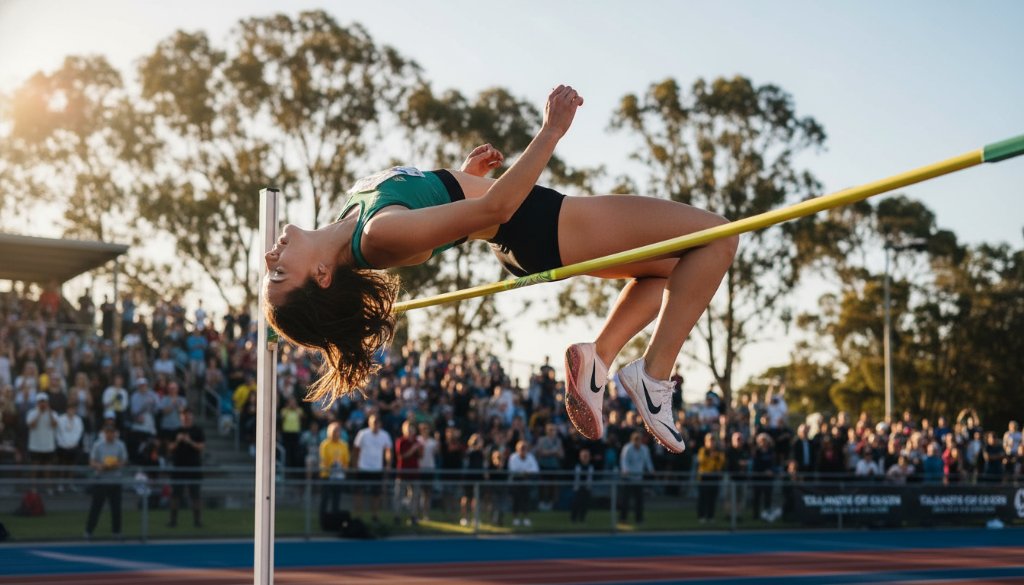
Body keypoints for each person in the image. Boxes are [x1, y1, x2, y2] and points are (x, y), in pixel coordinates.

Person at [262, 85, 738, 454]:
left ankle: (600, 358)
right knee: (717, 238)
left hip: (528, 233)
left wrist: (463, 176)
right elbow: (494, 210)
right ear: (323, 275)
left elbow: (433, 237)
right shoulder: (375, 237)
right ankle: (654, 377)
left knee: (679, 270)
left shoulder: (358, 221)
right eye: (280, 275)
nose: (271, 259)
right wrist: (551, 129)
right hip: (543, 223)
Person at [84, 421, 127, 540]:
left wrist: (114, 465)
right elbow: (92, 461)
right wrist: (99, 466)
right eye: (107, 432)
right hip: (101, 480)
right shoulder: (98, 444)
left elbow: (124, 461)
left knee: (116, 509)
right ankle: (89, 531)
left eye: (112, 433)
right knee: (96, 508)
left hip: (115, 480)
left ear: (115, 433)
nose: (110, 435)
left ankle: (116, 532)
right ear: (104, 433)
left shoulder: (120, 445)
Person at [167, 407, 205, 528]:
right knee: (175, 496)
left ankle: (197, 521)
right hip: (178, 467)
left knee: (195, 496)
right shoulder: (175, 431)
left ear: (192, 417)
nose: (186, 419)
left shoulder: (198, 431)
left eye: (188, 416)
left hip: (194, 467)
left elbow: (201, 447)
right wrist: (178, 441)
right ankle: (173, 521)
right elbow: (170, 448)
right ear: (181, 418)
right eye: (184, 416)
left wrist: (190, 441)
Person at [352, 413, 392, 523]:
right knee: (359, 492)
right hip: (363, 468)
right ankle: (358, 516)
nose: (374, 424)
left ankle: (375, 515)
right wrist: (355, 465)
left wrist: (388, 464)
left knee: (376, 494)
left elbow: (388, 451)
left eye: (376, 422)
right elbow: (356, 450)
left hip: (377, 469)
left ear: (380, 424)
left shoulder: (385, 435)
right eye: (372, 422)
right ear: (369, 423)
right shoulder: (362, 434)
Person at [619, 431, 654, 524]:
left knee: (639, 500)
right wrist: (625, 470)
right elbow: (624, 460)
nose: (637, 442)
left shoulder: (645, 449)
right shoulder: (627, 448)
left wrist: (651, 470)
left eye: (639, 440)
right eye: (635, 440)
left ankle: (639, 519)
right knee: (625, 500)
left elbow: (647, 461)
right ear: (632, 441)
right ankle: (623, 519)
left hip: (639, 478)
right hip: (628, 478)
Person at [318, 421, 350, 522]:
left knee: (336, 499)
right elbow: (323, 460)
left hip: (338, 476)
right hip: (327, 476)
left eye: (337, 431)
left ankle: (334, 519)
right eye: (333, 431)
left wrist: (342, 468)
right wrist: (332, 465)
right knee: (325, 498)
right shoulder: (325, 444)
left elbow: (346, 461)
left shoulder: (343, 445)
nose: (335, 433)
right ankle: (323, 519)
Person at [507, 440, 539, 527]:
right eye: (521, 448)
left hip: (527, 482)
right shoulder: (513, 457)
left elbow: (535, 469)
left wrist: (525, 472)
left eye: (525, 448)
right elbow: (513, 470)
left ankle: (526, 518)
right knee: (516, 501)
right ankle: (515, 518)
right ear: (517, 449)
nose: (523, 450)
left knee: (526, 500)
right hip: (516, 482)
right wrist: (525, 472)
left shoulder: (530, 457)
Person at [570, 448, 595, 523]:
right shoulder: (576, 466)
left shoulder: (591, 467)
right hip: (578, 488)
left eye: (587, 456)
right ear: (580, 457)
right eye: (583, 456)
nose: (585, 458)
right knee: (576, 503)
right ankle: (573, 518)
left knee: (585, 504)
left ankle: (582, 518)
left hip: (587, 488)